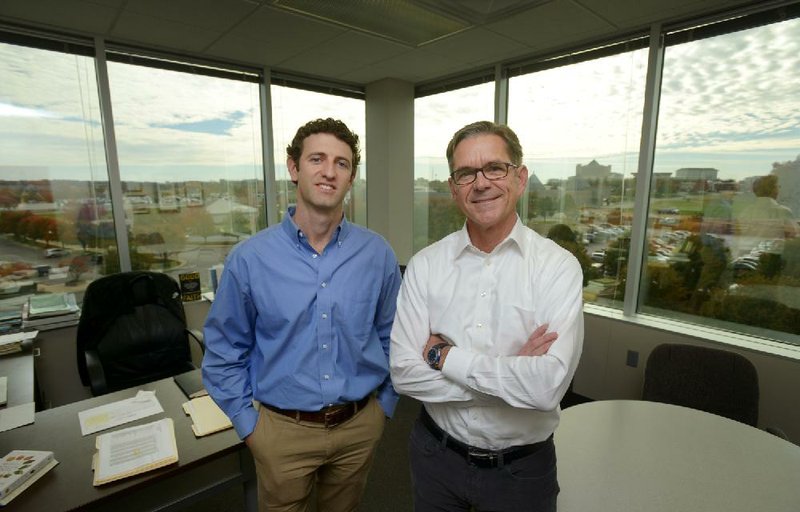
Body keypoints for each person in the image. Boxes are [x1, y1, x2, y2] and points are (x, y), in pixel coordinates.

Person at [202, 118, 402, 512]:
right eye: (317, 159)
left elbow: (393, 336)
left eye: (341, 163)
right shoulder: (250, 259)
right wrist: (250, 427)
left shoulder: (377, 254)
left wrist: (384, 408)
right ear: (293, 168)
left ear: (351, 177)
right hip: (281, 432)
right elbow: (224, 353)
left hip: (359, 425)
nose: (329, 171)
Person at [390, 121, 584, 511]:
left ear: (520, 178)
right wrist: (511, 378)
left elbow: (546, 389)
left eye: (495, 168)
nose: (481, 183)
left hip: (521, 473)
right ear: (453, 187)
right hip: (435, 459)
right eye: (466, 173)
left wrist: (445, 358)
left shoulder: (558, 268)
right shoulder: (426, 265)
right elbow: (403, 372)